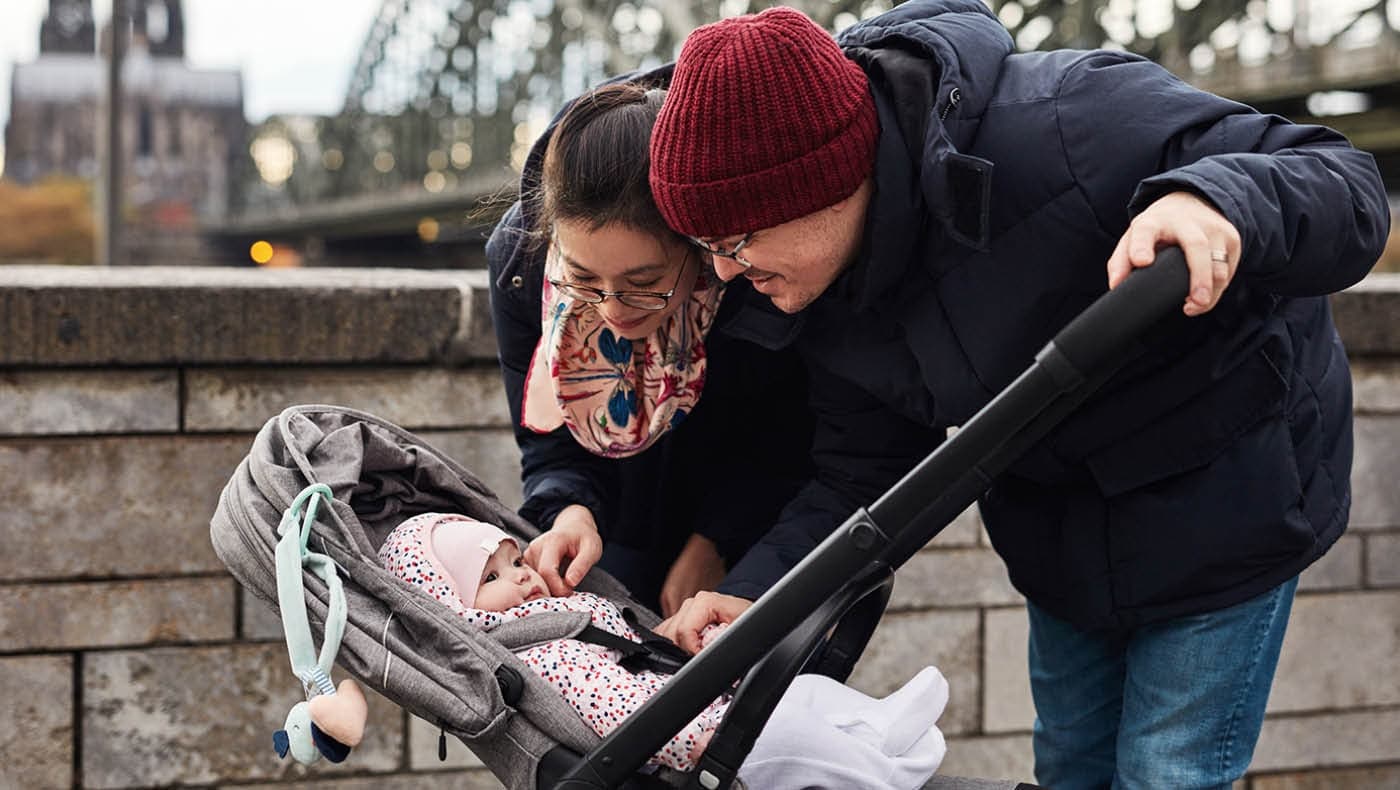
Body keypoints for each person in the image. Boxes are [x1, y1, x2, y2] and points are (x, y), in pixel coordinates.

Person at [644, 3, 1391, 789]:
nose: (725, 272)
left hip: (1227, 492)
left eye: (736, 241)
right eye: (706, 249)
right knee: (1069, 770)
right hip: (1061, 525)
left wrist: (1213, 198)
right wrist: (755, 596)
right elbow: (859, 472)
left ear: (827, 180)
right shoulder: (817, 288)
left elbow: (1342, 179)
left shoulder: (1071, 119)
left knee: (1167, 772)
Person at [485, 81, 815, 617]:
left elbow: (791, 432)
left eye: (644, 282)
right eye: (584, 279)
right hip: (615, 529)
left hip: (760, 522)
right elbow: (548, 445)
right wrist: (569, 514)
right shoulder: (521, 266)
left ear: (701, 248)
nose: (612, 309)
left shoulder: (752, 270)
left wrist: (718, 540)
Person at [378, 512, 950, 788]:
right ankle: (878, 772)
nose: (523, 576)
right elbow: (613, 706)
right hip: (694, 737)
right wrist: (697, 732)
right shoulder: (533, 651)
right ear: (454, 610)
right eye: (493, 576)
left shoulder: (551, 615)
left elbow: (634, 654)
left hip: (700, 700)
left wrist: (686, 651)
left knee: (802, 693)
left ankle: (875, 725)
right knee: (791, 738)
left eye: (517, 560)